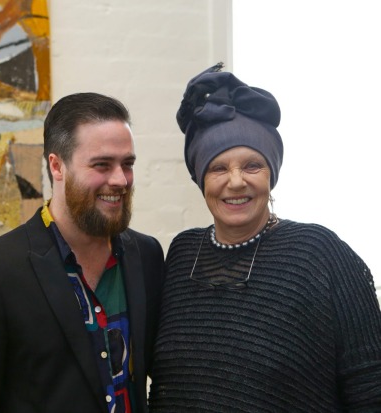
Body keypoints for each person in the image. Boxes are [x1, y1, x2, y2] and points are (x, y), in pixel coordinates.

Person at [148, 63, 381, 412]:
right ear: (200, 178)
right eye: (218, 167)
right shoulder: (182, 254)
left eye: (252, 165)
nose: (237, 181)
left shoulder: (320, 254)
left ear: (272, 174)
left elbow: (370, 389)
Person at [0, 92, 164, 413]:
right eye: (102, 165)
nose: (120, 180)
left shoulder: (147, 255)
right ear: (57, 166)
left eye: (127, 164)